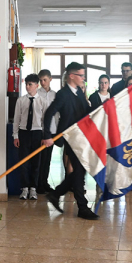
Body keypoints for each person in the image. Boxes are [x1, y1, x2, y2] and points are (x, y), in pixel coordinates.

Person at [43, 62, 99, 220]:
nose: (83, 78)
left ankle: (56, 194)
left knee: (79, 171)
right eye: (81, 75)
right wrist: (47, 136)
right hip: (70, 137)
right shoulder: (63, 94)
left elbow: (85, 111)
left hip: (81, 137)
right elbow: (49, 113)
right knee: (79, 171)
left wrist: (100, 109)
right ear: (72, 76)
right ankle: (82, 207)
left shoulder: (79, 92)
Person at [13, 73, 46, 200]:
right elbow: (16, 119)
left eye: (30, 84)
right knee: (24, 162)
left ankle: (33, 188)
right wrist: (16, 136)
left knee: (36, 162)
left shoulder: (42, 101)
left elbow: (44, 121)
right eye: (26, 84)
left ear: (36, 85)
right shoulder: (21, 100)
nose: (27, 87)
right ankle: (24, 188)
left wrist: (44, 136)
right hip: (24, 133)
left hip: (37, 133)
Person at [36, 69, 57, 195]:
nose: (43, 83)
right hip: (40, 130)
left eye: (45, 80)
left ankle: (45, 182)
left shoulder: (55, 95)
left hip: (52, 130)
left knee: (48, 158)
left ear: (50, 79)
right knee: (41, 158)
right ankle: (38, 183)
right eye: (41, 80)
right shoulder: (37, 94)